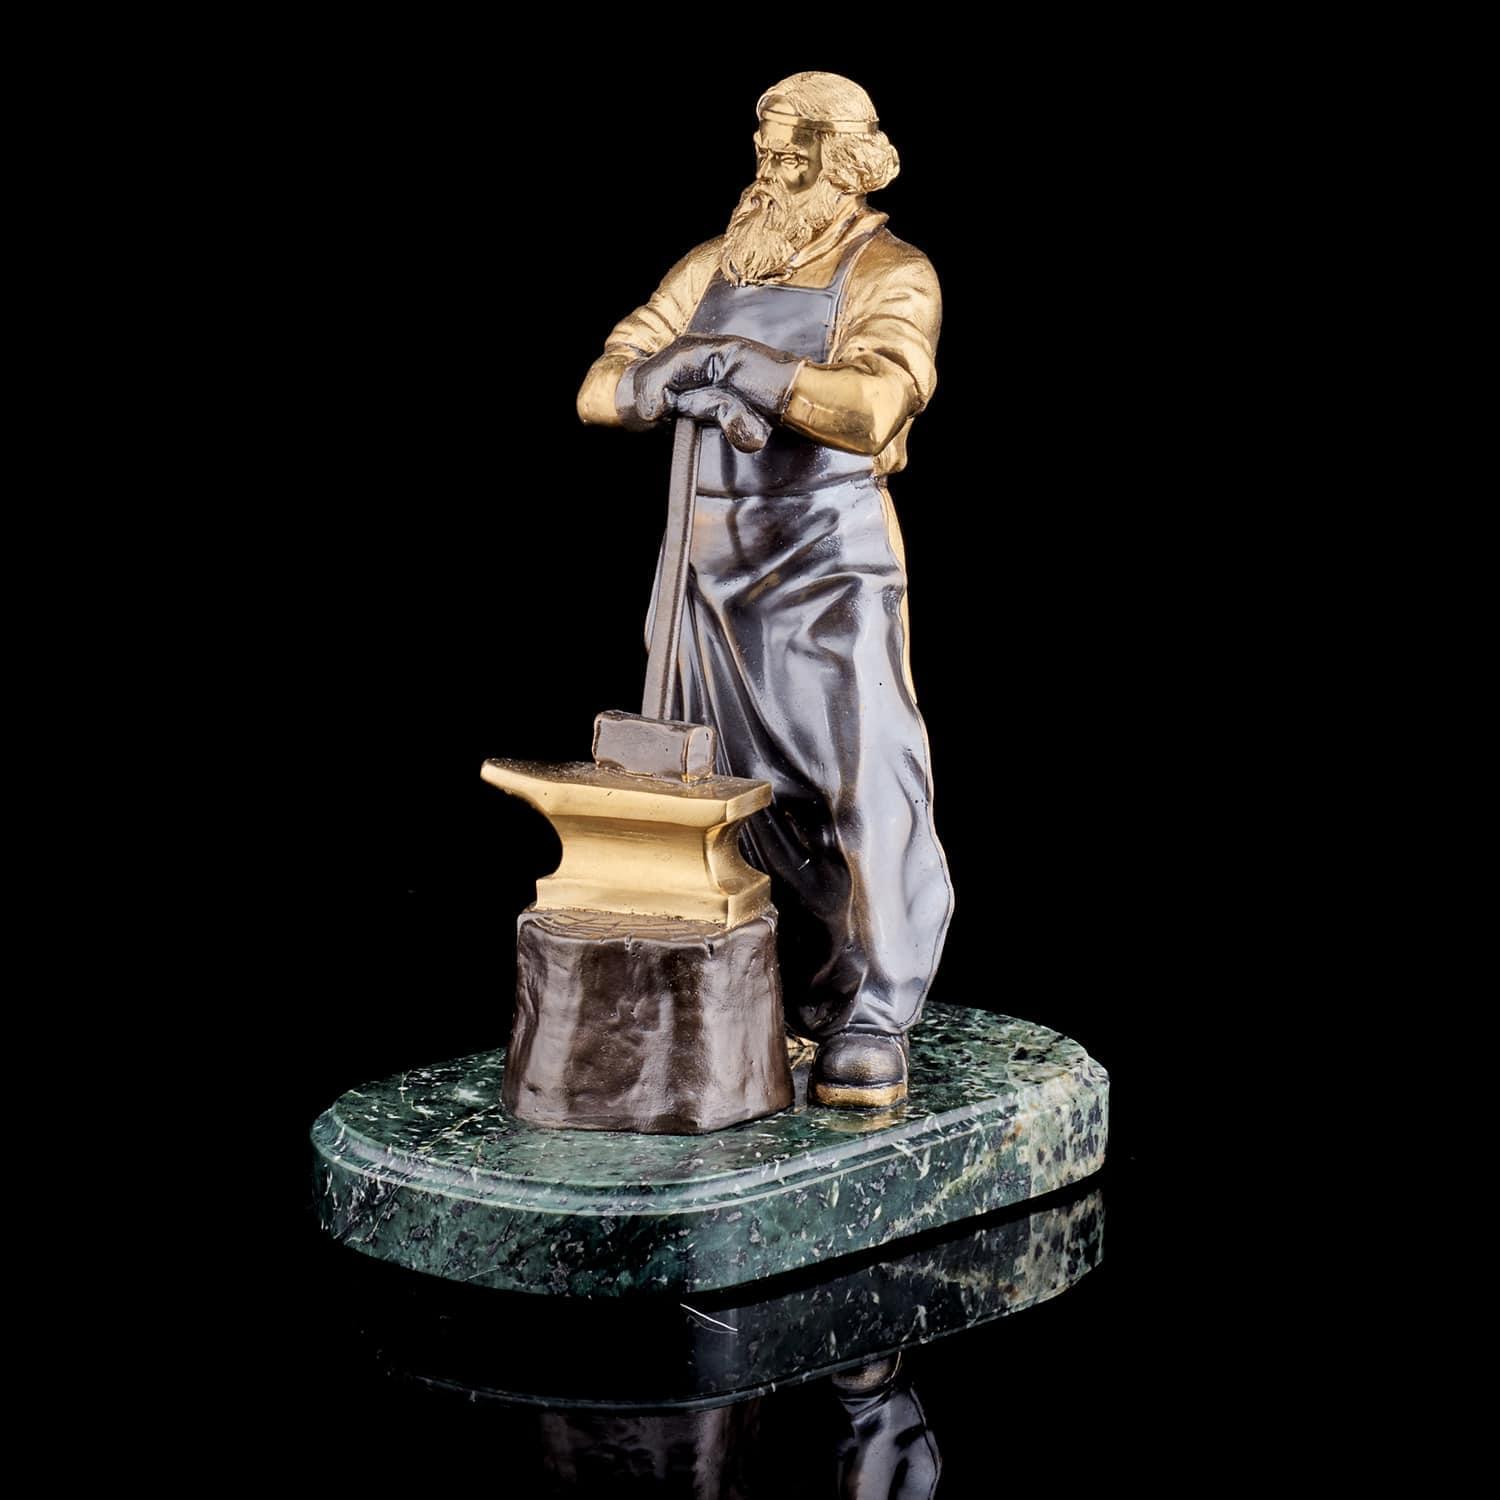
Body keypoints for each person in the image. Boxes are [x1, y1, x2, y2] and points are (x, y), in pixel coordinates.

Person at [577, 71, 953, 1109]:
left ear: (848, 166)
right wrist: (659, 378)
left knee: (861, 782)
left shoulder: (893, 272)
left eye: (796, 157)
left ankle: (874, 1008)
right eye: (765, 154)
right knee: (725, 798)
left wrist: (744, 366)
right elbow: (602, 384)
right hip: (704, 575)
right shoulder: (712, 264)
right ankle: (763, 993)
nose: (772, 174)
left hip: (827, 570)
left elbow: (875, 405)